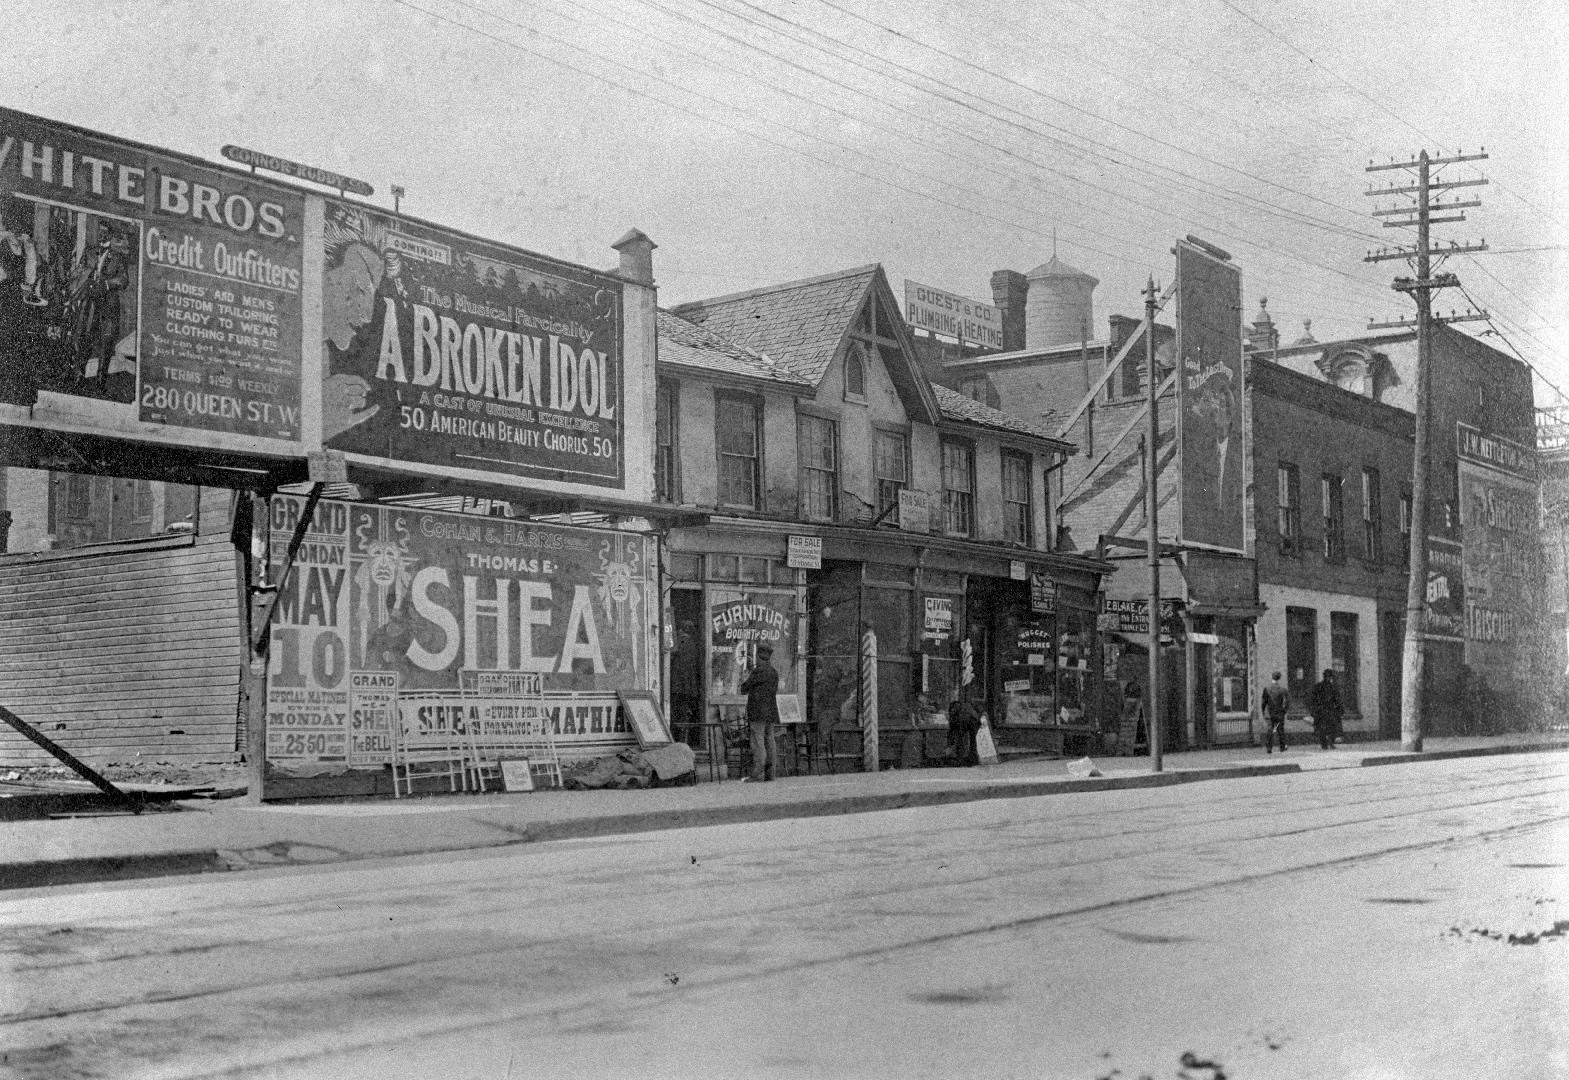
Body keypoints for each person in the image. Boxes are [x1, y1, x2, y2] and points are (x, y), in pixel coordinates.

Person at [739, 643, 780, 782]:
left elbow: (744, 688)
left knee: (758, 742)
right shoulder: (774, 672)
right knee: (770, 741)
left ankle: (758, 774)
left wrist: (746, 676)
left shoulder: (759, 671)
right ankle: (770, 774)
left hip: (758, 712)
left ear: (759, 657)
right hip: (771, 712)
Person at [1309, 668, 1344, 750]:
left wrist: (1313, 709)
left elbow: (1312, 699)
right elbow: (1338, 700)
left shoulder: (1318, 686)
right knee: (1332, 727)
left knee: (1322, 728)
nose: (1329, 678)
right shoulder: (1333, 687)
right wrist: (1340, 709)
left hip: (1321, 711)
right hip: (1330, 711)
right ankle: (1330, 742)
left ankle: (1324, 744)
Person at [948, 685, 981, 766]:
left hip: (966, 722)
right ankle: (972, 760)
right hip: (974, 722)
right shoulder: (965, 706)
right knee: (972, 742)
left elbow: (953, 727)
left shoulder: (955, 710)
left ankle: (960, 760)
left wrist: (950, 743)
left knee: (961, 741)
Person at [1261, 671, 1290, 753]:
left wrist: (1263, 711)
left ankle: (1269, 748)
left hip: (1269, 713)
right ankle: (1282, 747)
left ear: (1272, 677)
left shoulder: (1266, 688)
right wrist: (1284, 710)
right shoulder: (1282, 689)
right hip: (1279, 713)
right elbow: (1288, 701)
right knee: (1280, 730)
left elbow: (1264, 702)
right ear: (1279, 678)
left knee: (1269, 730)